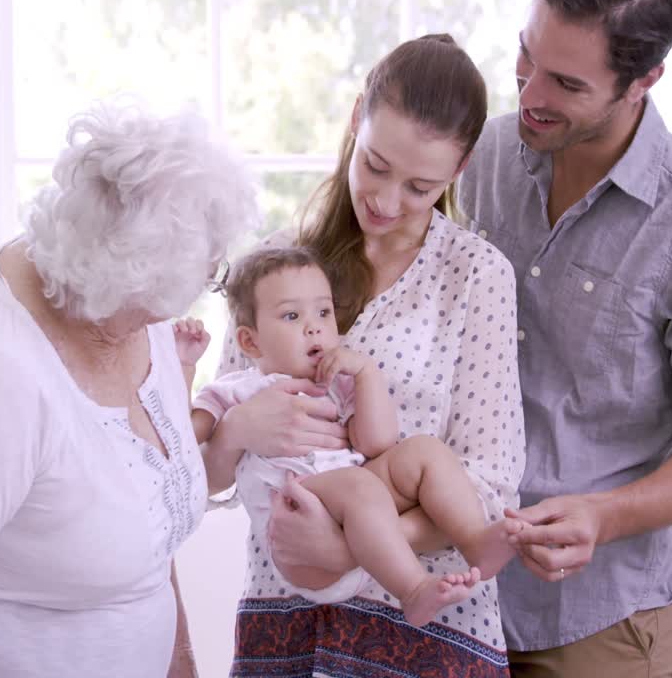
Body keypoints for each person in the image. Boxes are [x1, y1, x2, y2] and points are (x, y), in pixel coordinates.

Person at [0, 103, 259, 678]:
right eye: (191, 284)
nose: (190, 301)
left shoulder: (133, 304)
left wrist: (179, 657)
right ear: (122, 279)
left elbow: (149, 514)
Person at [455, 0, 672, 676]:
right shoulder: (483, 159)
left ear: (643, 82)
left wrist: (603, 517)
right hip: (451, 597)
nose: (529, 95)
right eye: (526, 57)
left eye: (566, 84)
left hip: (594, 623)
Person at [202, 33, 525, 677]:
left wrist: (350, 543)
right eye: (374, 164)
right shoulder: (273, 266)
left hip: (435, 632)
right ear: (356, 120)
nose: (385, 200)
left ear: (457, 173)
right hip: (286, 613)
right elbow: (210, 473)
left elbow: (490, 482)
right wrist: (238, 428)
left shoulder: (475, 275)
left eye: (419, 186)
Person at [177, 246, 519, 626]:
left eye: (323, 312)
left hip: (357, 521)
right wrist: (185, 368)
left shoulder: (337, 383)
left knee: (424, 451)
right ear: (250, 342)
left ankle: (474, 540)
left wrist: (367, 375)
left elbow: (377, 445)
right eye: (292, 316)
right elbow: (183, 442)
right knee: (359, 485)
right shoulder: (237, 390)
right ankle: (414, 589)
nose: (314, 326)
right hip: (300, 543)